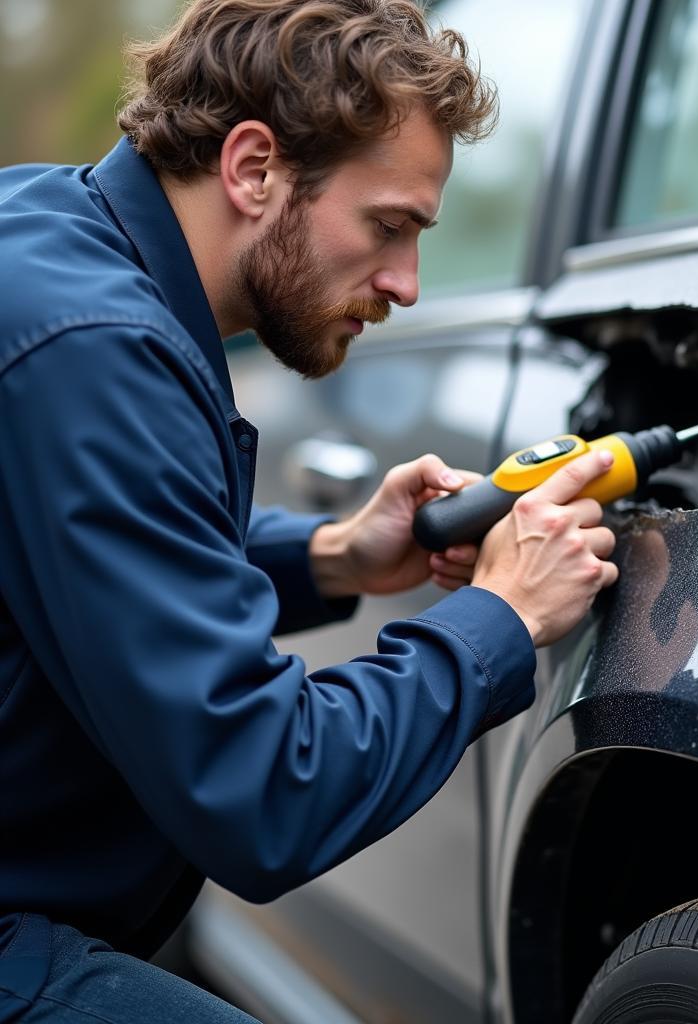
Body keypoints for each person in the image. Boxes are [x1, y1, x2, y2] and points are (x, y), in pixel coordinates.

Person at [0, 1, 619, 1021]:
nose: (407, 286)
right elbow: (260, 791)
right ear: (252, 168)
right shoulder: (91, 349)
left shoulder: (51, 240)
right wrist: (499, 618)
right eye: (388, 227)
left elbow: (91, 550)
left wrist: (330, 556)